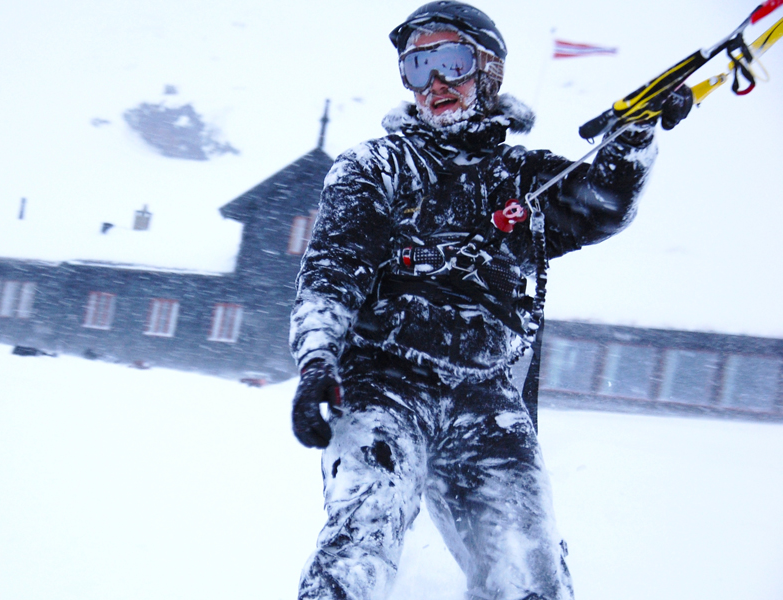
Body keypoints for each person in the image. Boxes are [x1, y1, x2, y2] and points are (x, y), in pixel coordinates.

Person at [288, 2, 692, 600]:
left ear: (489, 71)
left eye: (450, 61)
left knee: (530, 574)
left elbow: (600, 203)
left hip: (486, 401)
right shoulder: (376, 169)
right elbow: (332, 269)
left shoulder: (524, 181)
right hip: (383, 384)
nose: (436, 84)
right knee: (362, 535)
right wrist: (318, 360)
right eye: (417, 66)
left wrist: (631, 139)